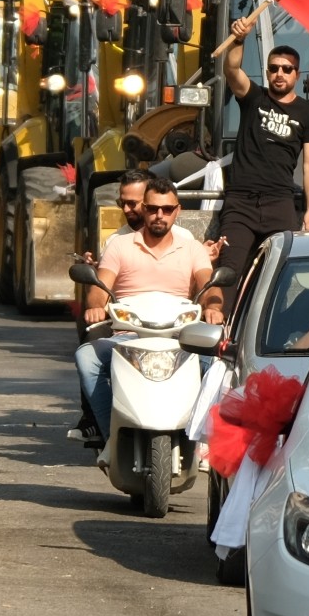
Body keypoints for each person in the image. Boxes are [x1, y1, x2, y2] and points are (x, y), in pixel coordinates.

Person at [75, 181, 218, 459]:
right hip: (129, 337)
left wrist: (213, 306)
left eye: (167, 209)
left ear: (178, 211)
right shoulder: (120, 245)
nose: (159, 215)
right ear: (144, 210)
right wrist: (96, 306)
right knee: (86, 358)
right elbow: (99, 289)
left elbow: (208, 284)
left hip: (181, 338)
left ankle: (204, 440)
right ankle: (109, 439)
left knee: (219, 364)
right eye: (152, 209)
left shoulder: (192, 248)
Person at [212, 14, 309, 284]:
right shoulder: (254, 98)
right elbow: (232, 70)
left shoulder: (308, 112)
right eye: (274, 68)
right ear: (267, 72)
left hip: (280, 202)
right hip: (240, 201)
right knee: (227, 270)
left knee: (282, 276)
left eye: (287, 69)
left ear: (297, 74)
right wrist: (239, 39)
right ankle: (220, 322)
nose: (279, 74)